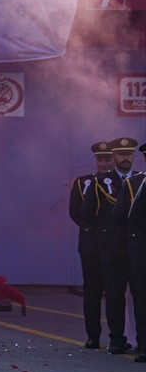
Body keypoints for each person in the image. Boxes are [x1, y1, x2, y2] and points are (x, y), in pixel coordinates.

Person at [85, 136, 139, 355]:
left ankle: (142, 341)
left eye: (129, 154)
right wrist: (103, 240)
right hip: (112, 248)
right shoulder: (99, 183)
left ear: (134, 156)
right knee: (115, 296)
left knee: (141, 297)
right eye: (121, 154)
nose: (125, 158)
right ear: (114, 156)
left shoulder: (141, 180)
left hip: (137, 249)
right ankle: (117, 339)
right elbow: (86, 215)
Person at [70, 141, 115, 348]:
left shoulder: (122, 182)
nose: (104, 164)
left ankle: (118, 337)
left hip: (114, 245)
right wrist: (95, 231)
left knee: (115, 292)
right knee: (92, 291)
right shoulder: (82, 183)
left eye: (108, 159)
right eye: (100, 160)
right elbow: (75, 213)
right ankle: (93, 335)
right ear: (95, 161)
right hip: (90, 245)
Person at [113, 142, 145, 362]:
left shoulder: (136, 182)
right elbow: (119, 216)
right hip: (141, 251)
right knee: (142, 299)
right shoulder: (134, 183)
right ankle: (143, 346)